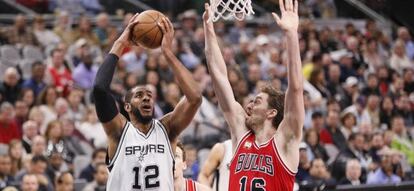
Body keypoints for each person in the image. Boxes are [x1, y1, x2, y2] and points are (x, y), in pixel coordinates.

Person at [92, 14, 201, 191]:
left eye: (149, 95)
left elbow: (195, 97)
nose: (146, 98)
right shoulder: (119, 132)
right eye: (139, 95)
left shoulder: (167, 129)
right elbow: (99, 88)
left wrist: (167, 53)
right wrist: (121, 43)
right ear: (126, 107)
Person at [203, 0, 304, 190]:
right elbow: (219, 76)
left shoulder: (285, 140)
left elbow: (296, 89)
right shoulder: (241, 134)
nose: (248, 107)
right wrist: (209, 30)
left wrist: (291, 35)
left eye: (257, 102)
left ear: (271, 113)